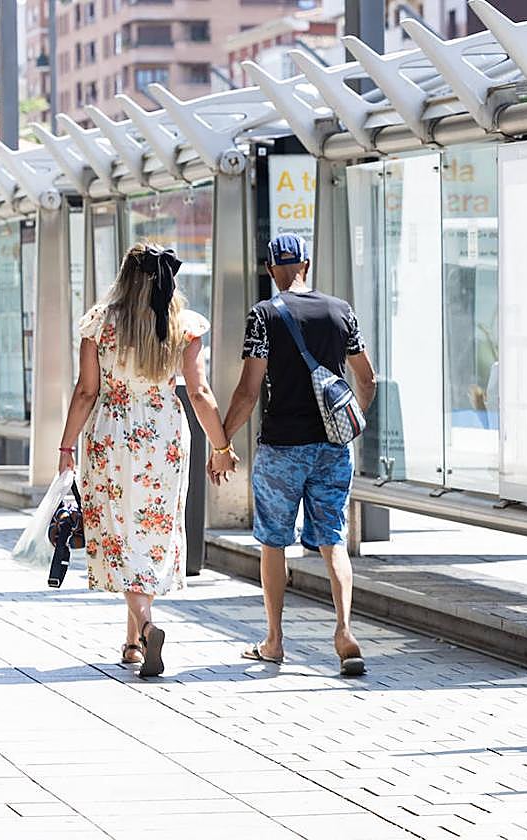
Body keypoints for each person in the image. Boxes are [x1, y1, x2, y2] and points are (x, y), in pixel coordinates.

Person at [56, 243, 237, 678]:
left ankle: (145, 626)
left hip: (111, 435)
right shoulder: (182, 325)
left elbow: (86, 390)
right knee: (151, 532)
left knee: (120, 532)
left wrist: (65, 447)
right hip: (164, 437)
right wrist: (221, 447)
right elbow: (199, 393)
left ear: (125, 276)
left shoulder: (101, 323)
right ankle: (133, 643)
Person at [222, 234, 376, 676]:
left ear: (271, 270)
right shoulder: (340, 311)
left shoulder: (264, 315)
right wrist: (348, 421)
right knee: (332, 539)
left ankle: (274, 641)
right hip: (333, 448)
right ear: (306, 264)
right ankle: (344, 631)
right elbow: (367, 379)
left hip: (282, 448)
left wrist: (222, 443)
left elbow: (248, 391)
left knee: (274, 542)